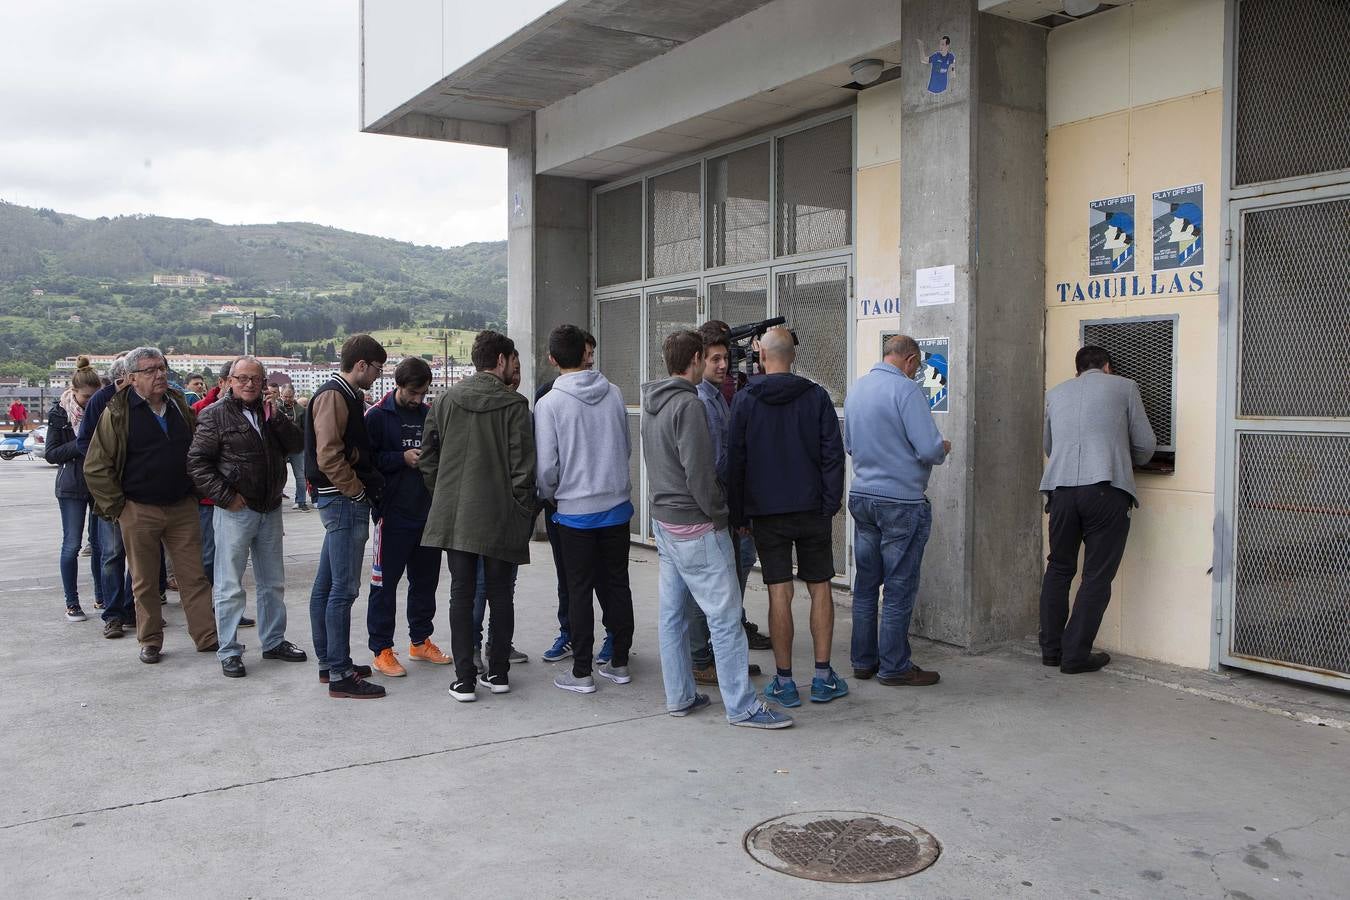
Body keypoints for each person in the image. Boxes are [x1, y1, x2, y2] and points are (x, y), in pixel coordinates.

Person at [641, 330, 791, 729]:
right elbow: (700, 474)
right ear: (693, 359)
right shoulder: (688, 405)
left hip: (666, 523)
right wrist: (721, 516)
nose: (718, 365)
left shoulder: (652, 402)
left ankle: (680, 696)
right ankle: (742, 706)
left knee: (674, 615)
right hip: (696, 525)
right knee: (725, 619)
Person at [727, 327, 846, 708]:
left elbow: (737, 461)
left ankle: (785, 682)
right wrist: (829, 502)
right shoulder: (816, 397)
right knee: (820, 586)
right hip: (812, 508)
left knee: (780, 590)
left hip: (766, 512)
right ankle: (824, 677)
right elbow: (832, 454)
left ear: (761, 355)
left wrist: (740, 512)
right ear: (792, 356)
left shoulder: (745, 400)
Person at [419, 330, 536, 702]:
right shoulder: (515, 405)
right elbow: (523, 469)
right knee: (501, 595)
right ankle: (498, 673)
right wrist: (521, 510)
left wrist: (444, 492)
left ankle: (465, 679)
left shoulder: (446, 399)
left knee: (460, 595)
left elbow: (428, 456)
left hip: (456, 514)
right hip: (500, 514)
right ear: (500, 361)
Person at [84, 347, 218, 663]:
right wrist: (119, 507)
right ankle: (150, 640)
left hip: (181, 505)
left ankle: (206, 637)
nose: (159, 374)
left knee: (194, 576)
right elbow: (95, 465)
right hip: (138, 508)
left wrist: (195, 491)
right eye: (149, 370)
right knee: (144, 581)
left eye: (161, 367)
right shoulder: (117, 413)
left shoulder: (178, 405)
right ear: (131, 378)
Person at [188, 356, 308, 678]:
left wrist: (276, 417)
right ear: (228, 381)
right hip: (235, 511)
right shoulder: (214, 416)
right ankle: (228, 649)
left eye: (256, 379)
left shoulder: (272, 414)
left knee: (272, 582)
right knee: (229, 585)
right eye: (242, 378)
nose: (249, 384)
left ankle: (273, 641)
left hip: (269, 508)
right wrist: (227, 497)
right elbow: (198, 463)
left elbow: (297, 444)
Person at [1039, 345, 1156, 674]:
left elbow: (1051, 446)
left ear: (1077, 370)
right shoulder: (1125, 386)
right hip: (1105, 490)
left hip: (1060, 491)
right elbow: (1145, 446)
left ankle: (1051, 650)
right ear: (1107, 367)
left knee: (1059, 568)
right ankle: (1075, 654)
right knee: (1096, 576)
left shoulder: (1056, 393)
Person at [843, 336, 950, 687]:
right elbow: (929, 449)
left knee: (865, 585)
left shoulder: (858, 388)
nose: (916, 372)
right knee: (899, 587)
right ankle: (894, 666)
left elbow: (849, 444)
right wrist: (942, 446)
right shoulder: (906, 391)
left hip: (862, 496)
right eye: (916, 366)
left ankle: (863, 661)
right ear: (909, 359)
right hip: (901, 502)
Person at [535, 324, 636, 694]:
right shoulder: (613, 394)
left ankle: (582, 671)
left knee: (577, 590)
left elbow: (546, 468)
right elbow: (624, 447)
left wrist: (553, 495)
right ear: (586, 353)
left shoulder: (549, 404)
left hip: (574, 511)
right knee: (617, 583)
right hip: (616, 506)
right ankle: (620, 662)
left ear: (552, 358)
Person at [306, 334, 388, 698]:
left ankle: (331, 662)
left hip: (338, 500)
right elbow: (328, 454)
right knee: (343, 589)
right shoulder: (334, 394)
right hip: (342, 500)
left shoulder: (343, 394)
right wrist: (355, 490)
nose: (377, 375)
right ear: (361, 365)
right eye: (377, 368)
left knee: (326, 586)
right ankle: (339, 672)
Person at [688, 321, 768, 685]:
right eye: (715, 359)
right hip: (718, 512)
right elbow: (717, 464)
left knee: (726, 588)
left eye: (726, 358)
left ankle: (720, 656)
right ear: (699, 360)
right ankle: (704, 659)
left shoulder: (717, 395)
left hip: (727, 509)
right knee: (713, 593)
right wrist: (730, 511)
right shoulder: (704, 401)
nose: (723, 365)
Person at [364, 357, 449, 677]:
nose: (418, 399)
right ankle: (382, 648)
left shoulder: (430, 415)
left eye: (423, 394)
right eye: (413, 393)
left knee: (425, 582)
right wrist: (400, 458)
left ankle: (420, 640)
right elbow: (366, 461)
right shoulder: (377, 416)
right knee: (384, 585)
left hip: (428, 513)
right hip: (393, 514)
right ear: (397, 385)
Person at [77, 353, 136, 637]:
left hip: (141, 492)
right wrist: (106, 480)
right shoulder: (102, 400)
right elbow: (84, 443)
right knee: (112, 555)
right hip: (110, 493)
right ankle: (113, 615)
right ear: (125, 376)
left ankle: (131, 609)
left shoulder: (149, 401)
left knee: (140, 558)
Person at [45, 357, 105, 622]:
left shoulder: (102, 410)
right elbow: (51, 453)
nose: (90, 402)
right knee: (71, 544)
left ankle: (101, 596)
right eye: (86, 397)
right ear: (74, 391)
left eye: (95, 397)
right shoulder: (60, 413)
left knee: (100, 544)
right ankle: (72, 602)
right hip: (71, 485)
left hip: (98, 484)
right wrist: (80, 443)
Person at [278, 384, 309, 510]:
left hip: (298, 448)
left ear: (294, 395)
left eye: (290, 396)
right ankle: (276, 499)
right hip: (282, 448)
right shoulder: (277, 408)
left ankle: (301, 501)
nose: (288, 399)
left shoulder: (301, 410)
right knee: (279, 475)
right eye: (285, 396)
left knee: (300, 476)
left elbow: (306, 429)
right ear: (281, 395)